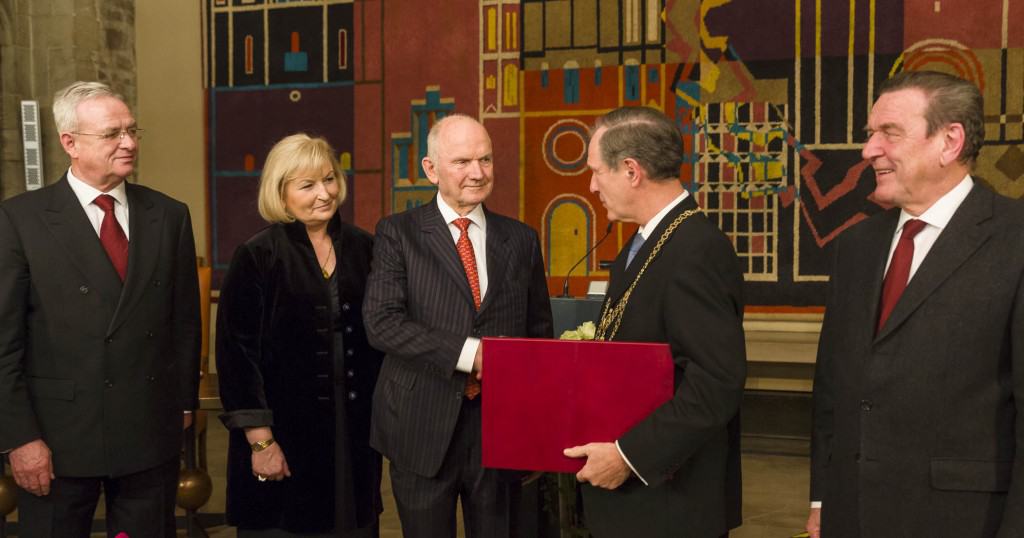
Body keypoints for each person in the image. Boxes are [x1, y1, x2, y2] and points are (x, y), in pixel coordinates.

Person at [806, 70, 1024, 537]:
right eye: (870, 134)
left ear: (949, 141)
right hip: (851, 514)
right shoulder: (857, 245)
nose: (868, 150)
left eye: (889, 133)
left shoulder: (1015, 240)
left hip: (962, 522)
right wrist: (823, 496)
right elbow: (833, 386)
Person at [0, 81, 201, 537]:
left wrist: (183, 406)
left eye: (132, 130)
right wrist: (18, 437)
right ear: (70, 142)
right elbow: (4, 341)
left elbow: (184, 322)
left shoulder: (169, 215)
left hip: (148, 433)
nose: (128, 142)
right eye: (112, 133)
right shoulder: (19, 220)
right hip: (56, 440)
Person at [362, 114, 553, 538]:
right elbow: (381, 324)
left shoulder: (521, 239)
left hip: (501, 428)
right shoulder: (398, 234)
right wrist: (472, 354)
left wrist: (539, 422)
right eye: (462, 161)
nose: (477, 173)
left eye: (485, 160)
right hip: (421, 424)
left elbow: (539, 334)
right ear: (431, 170)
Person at [563, 106, 746, 537]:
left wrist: (627, 456)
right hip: (640, 502)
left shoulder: (696, 250)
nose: (591, 186)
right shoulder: (648, 239)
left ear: (631, 170)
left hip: (670, 504)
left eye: (595, 172)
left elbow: (715, 385)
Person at [216, 133, 384, 537]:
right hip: (283, 438)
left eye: (329, 179)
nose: (324, 193)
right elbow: (237, 357)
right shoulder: (258, 254)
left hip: (353, 437)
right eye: (307, 185)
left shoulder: (366, 248)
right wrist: (260, 442)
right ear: (281, 193)